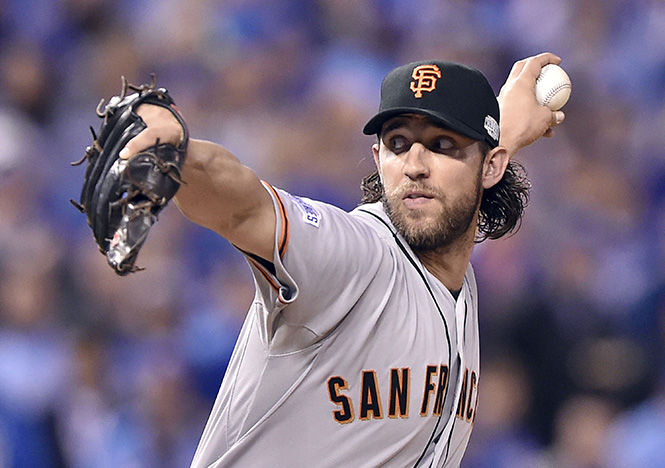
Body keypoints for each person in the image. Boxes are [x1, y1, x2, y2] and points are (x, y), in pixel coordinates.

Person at [119, 52, 565, 467]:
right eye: (397, 143)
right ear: (377, 157)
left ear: (492, 166)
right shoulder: (355, 254)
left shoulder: (459, 281)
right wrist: (181, 157)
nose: (414, 165)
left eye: (442, 144)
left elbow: (468, 182)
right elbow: (245, 205)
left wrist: (502, 125)